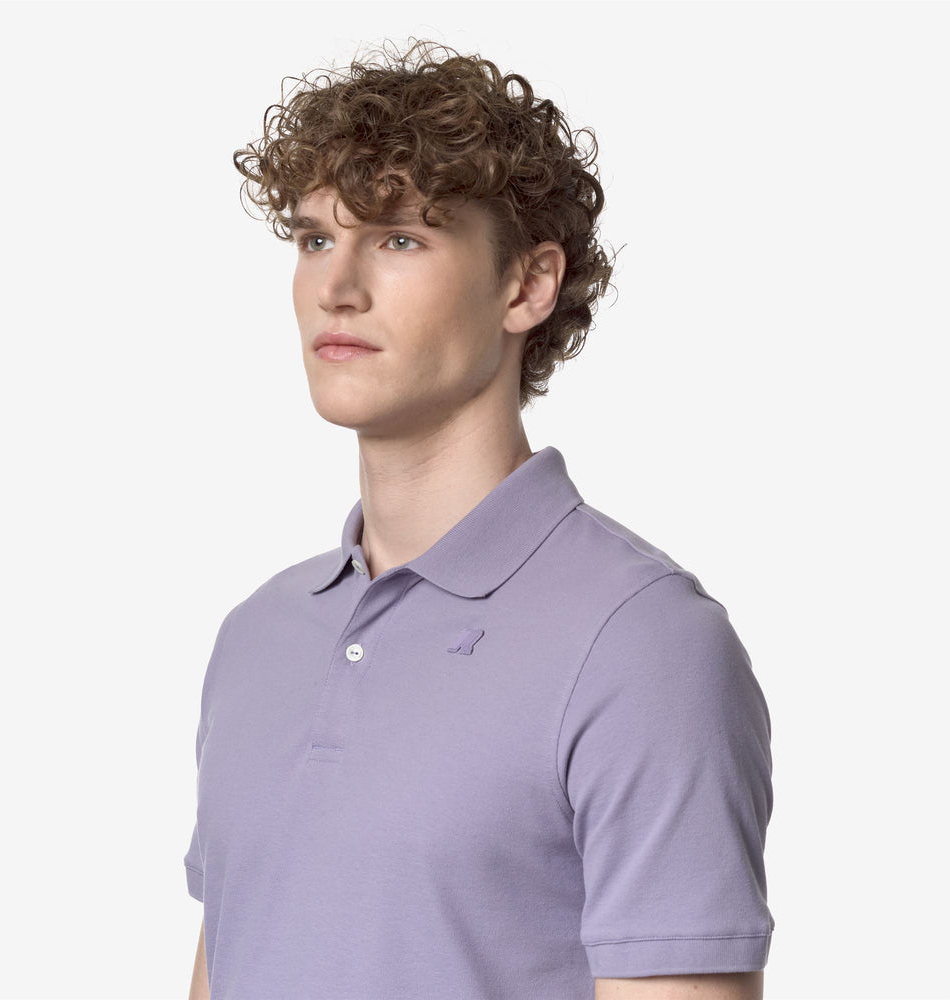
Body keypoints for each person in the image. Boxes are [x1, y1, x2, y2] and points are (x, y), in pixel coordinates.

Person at [183, 37, 774, 1000]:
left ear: (526, 286)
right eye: (316, 238)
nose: (337, 287)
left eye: (400, 239)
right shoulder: (257, 636)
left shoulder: (643, 642)